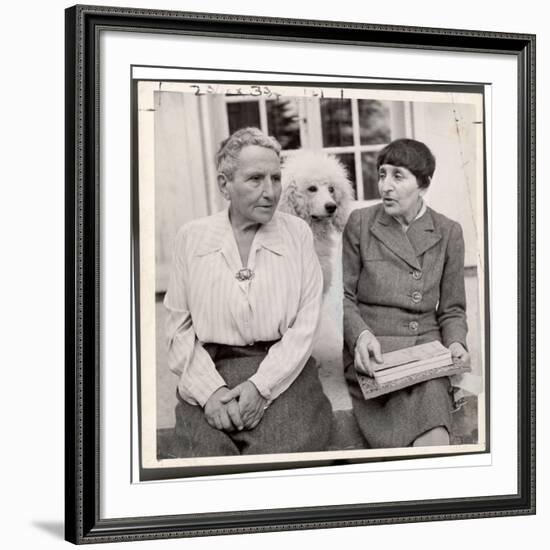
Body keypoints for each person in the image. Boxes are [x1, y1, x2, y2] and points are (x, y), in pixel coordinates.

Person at [164, 127, 332, 457]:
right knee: (203, 456)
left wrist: (261, 386)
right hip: (212, 366)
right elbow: (178, 329)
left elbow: (306, 323)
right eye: (255, 179)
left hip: (284, 370)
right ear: (224, 184)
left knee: (285, 452)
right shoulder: (192, 238)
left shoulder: (296, 234)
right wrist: (209, 392)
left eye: (275, 178)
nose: (270, 192)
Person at [342, 138, 470, 448]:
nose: (385, 185)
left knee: (434, 434)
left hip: (425, 353)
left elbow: (452, 309)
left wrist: (455, 342)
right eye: (383, 174)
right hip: (373, 350)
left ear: (424, 184)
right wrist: (359, 337)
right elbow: (344, 298)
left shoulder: (448, 231)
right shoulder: (360, 223)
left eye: (398, 176)